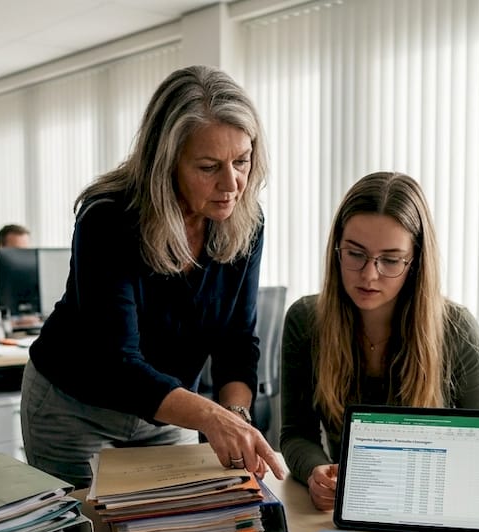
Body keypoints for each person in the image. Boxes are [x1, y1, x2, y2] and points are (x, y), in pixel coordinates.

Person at [22, 65, 283, 489]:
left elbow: (238, 339)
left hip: (170, 411)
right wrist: (211, 417)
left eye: (242, 161)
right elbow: (117, 362)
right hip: (75, 408)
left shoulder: (245, 222)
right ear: (168, 161)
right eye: (208, 166)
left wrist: (235, 420)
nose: (231, 183)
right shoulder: (109, 218)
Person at [279, 171, 479, 511]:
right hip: (351, 509)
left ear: (415, 262)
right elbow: (296, 434)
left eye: (391, 260)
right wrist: (316, 472)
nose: (369, 274)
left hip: (436, 510)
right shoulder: (306, 320)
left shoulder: (457, 329)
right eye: (355, 254)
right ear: (336, 249)